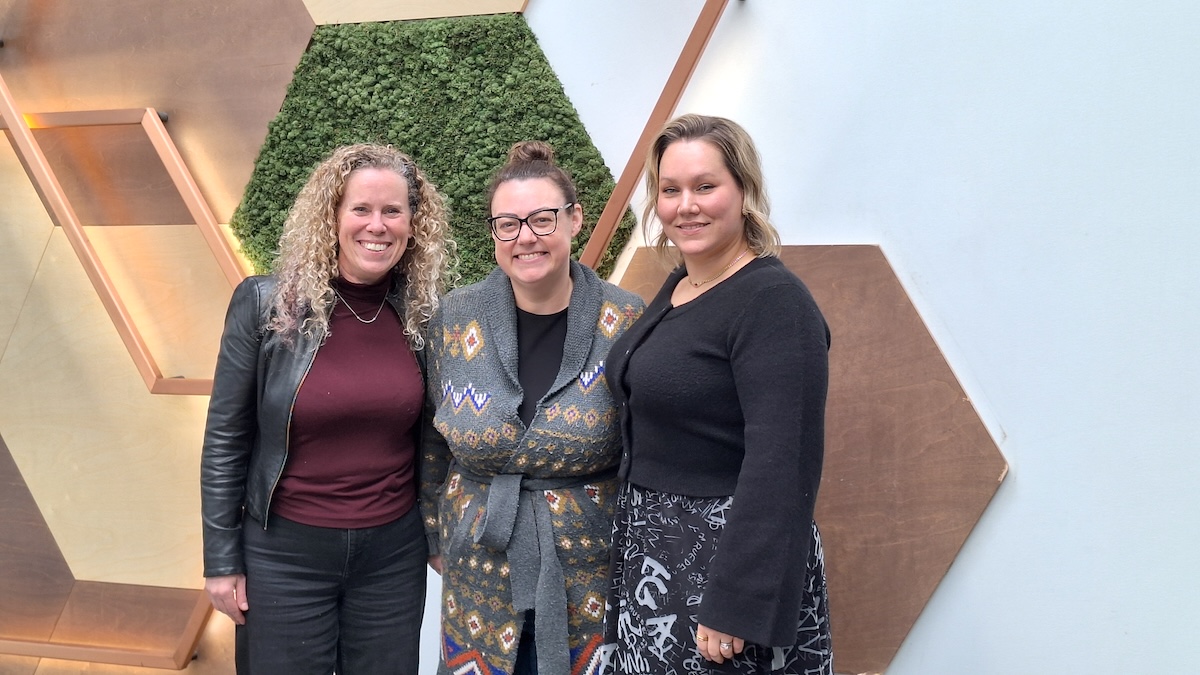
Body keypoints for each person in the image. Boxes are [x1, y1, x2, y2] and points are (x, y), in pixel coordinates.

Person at [200, 143, 455, 674]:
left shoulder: (424, 317)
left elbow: (436, 440)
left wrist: (436, 533)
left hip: (392, 559)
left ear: (413, 225)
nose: (376, 225)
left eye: (392, 211)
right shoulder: (266, 305)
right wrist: (221, 560)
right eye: (361, 209)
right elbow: (226, 438)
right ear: (332, 217)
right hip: (283, 557)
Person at [603, 114, 834, 674]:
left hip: (726, 568)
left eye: (705, 186)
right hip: (657, 553)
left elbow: (784, 461)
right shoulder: (681, 286)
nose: (687, 206)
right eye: (671, 190)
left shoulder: (774, 301)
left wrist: (738, 602)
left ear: (744, 191)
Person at [420, 140, 645, 675]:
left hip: (590, 570)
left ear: (575, 219)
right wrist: (435, 535)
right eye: (508, 224)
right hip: (477, 569)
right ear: (494, 233)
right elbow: (430, 440)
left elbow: (644, 447)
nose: (525, 237)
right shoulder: (455, 318)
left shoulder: (626, 320)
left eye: (542, 219)